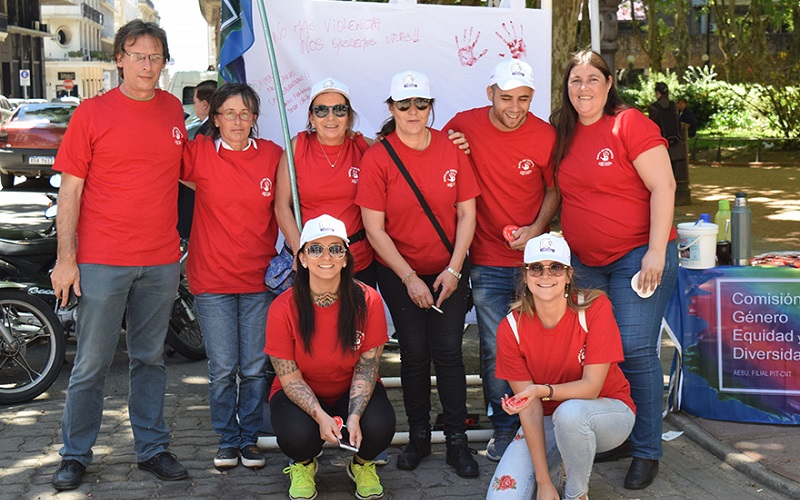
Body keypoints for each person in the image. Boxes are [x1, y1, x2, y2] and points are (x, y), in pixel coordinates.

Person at [49, 20, 188, 490]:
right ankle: (75, 454)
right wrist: (66, 259)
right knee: (91, 362)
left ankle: (152, 448)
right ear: (119, 59)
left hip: (162, 260)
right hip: (103, 260)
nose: (148, 65)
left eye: (155, 56)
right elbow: (70, 191)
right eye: (138, 55)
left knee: (149, 359)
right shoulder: (91, 113)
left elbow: (190, 174)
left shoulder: (173, 111)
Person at [550, 49, 679, 490]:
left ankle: (647, 449)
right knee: (600, 354)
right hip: (586, 262)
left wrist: (656, 252)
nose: (583, 88)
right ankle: (622, 433)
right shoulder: (561, 130)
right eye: (575, 80)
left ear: (608, 84)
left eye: (592, 79)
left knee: (637, 349)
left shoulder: (629, 123)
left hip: (638, 255)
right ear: (566, 88)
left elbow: (664, 184)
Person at [356, 70, 480, 478]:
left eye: (420, 104)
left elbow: (467, 213)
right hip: (399, 271)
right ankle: (420, 439)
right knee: (412, 354)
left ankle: (457, 445)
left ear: (430, 107)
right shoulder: (378, 156)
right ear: (391, 108)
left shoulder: (452, 148)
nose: (413, 112)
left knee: (447, 354)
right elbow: (374, 228)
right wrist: (409, 277)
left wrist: (454, 269)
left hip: (449, 269)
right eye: (404, 104)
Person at [444, 59, 558, 462]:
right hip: (488, 259)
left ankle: (542, 424)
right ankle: (506, 429)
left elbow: (553, 190)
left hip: (536, 263)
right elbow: (439, 168)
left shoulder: (546, 135)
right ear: (489, 93)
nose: (515, 107)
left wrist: (536, 228)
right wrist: (451, 148)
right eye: (506, 97)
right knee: (496, 348)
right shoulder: (463, 124)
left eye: (524, 99)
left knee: (541, 346)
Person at [487, 233, 635, 500]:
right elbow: (530, 410)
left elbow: (591, 388)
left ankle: (575, 493)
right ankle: (555, 477)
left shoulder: (594, 308)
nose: (546, 275)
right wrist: (543, 483)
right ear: (525, 275)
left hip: (607, 412)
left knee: (570, 414)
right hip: (545, 420)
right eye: (536, 268)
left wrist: (540, 390)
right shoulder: (510, 327)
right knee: (502, 497)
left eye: (555, 267)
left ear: (568, 275)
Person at [181, 83, 283, 470]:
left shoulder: (273, 156)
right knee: (222, 368)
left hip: (260, 280)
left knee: (256, 366)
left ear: (255, 118)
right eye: (229, 113)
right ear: (215, 117)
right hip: (211, 280)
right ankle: (227, 438)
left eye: (245, 114)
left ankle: (250, 438)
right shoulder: (198, 154)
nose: (237, 121)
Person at [266, 215, 395, 500]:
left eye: (336, 248)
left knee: (379, 426)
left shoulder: (369, 300)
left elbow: (368, 366)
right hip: (301, 393)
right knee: (298, 435)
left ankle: (361, 464)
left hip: (349, 390)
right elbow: (289, 378)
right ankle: (303, 464)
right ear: (301, 258)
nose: (326, 256)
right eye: (315, 249)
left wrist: (354, 415)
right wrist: (321, 417)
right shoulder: (281, 308)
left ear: (346, 259)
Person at [274, 77, 377, 286]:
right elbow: (281, 206)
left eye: (339, 110)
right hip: (313, 260)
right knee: (313, 319)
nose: (331, 117)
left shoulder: (365, 147)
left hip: (357, 261)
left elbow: (400, 156)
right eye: (321, 110)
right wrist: (298, 252)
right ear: (311, 117)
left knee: (357, 318)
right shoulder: (297, 147)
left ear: (348, 117)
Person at [177, 79, 217, 240]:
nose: (194, 107)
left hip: (196, 201)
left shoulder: (205, 132)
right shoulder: (208, 128)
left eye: (195, 102)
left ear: (205, 105)